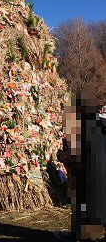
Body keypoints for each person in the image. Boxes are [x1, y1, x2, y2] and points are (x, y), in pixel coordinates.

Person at [54, 89, 106, 241]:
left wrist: (61, 156)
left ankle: (76, 235)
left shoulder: (79, 128)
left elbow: (73, 155)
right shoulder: (102, 125)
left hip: (90, 175)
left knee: (81, 203)